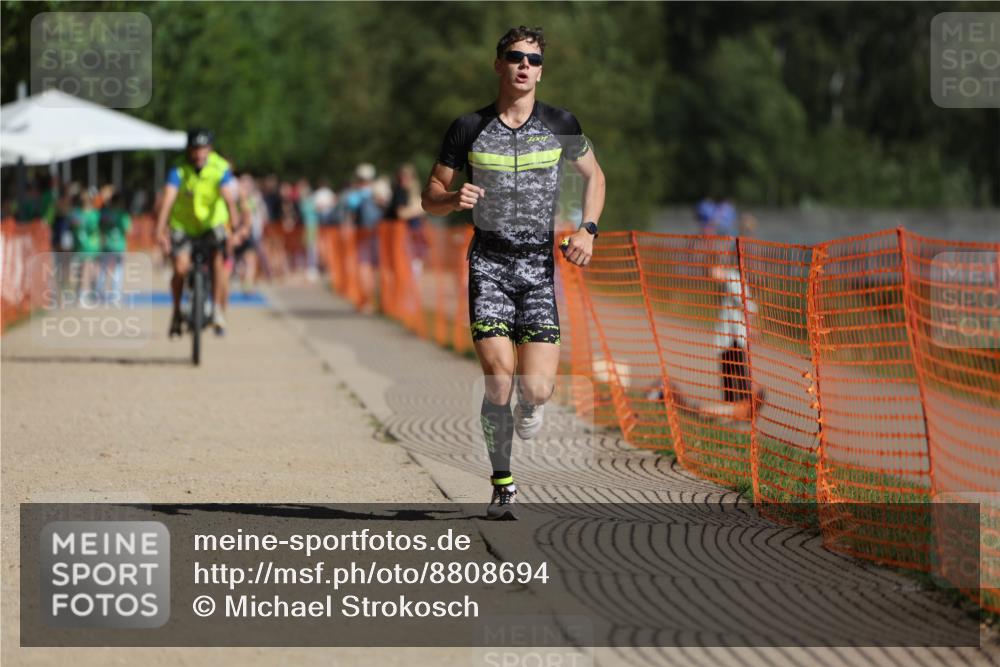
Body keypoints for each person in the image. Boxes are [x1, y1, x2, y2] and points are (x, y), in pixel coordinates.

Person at [421, 25, 606, 519]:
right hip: (490, 267)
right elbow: (429, 196)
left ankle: (532, 403)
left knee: (536, 388)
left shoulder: (561, 122)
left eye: (534, 59)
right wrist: (450, 200)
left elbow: (596, 177)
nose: (525, 66)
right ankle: (502, 481)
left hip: (539, 271)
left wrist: (587, 229)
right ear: (498, 63)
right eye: (515, 56)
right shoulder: (468, 128)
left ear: (542, 69)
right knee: (498, 379)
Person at [155, 128, 241, 337]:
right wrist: (160, 229)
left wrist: (234, 226)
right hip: (183, 225)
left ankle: (218, 310)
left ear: (210, 149)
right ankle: (176, 312)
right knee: (180, 268)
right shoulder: (178, 169)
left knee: (218, 262)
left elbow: (229, 199)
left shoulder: (219, 167)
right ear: (189, 150)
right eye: (195, 149)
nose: (199, 154)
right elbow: (168, 199)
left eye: (203, 149)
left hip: (212, 224)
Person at [96, 192, 131, 302]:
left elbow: (99, 226)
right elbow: (128, 229)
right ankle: (115, 293)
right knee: (118, 269)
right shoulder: (123, 214)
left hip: (107, 244)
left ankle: (99, 291)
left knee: (103, 268)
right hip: (119, 245)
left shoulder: (105, 213)